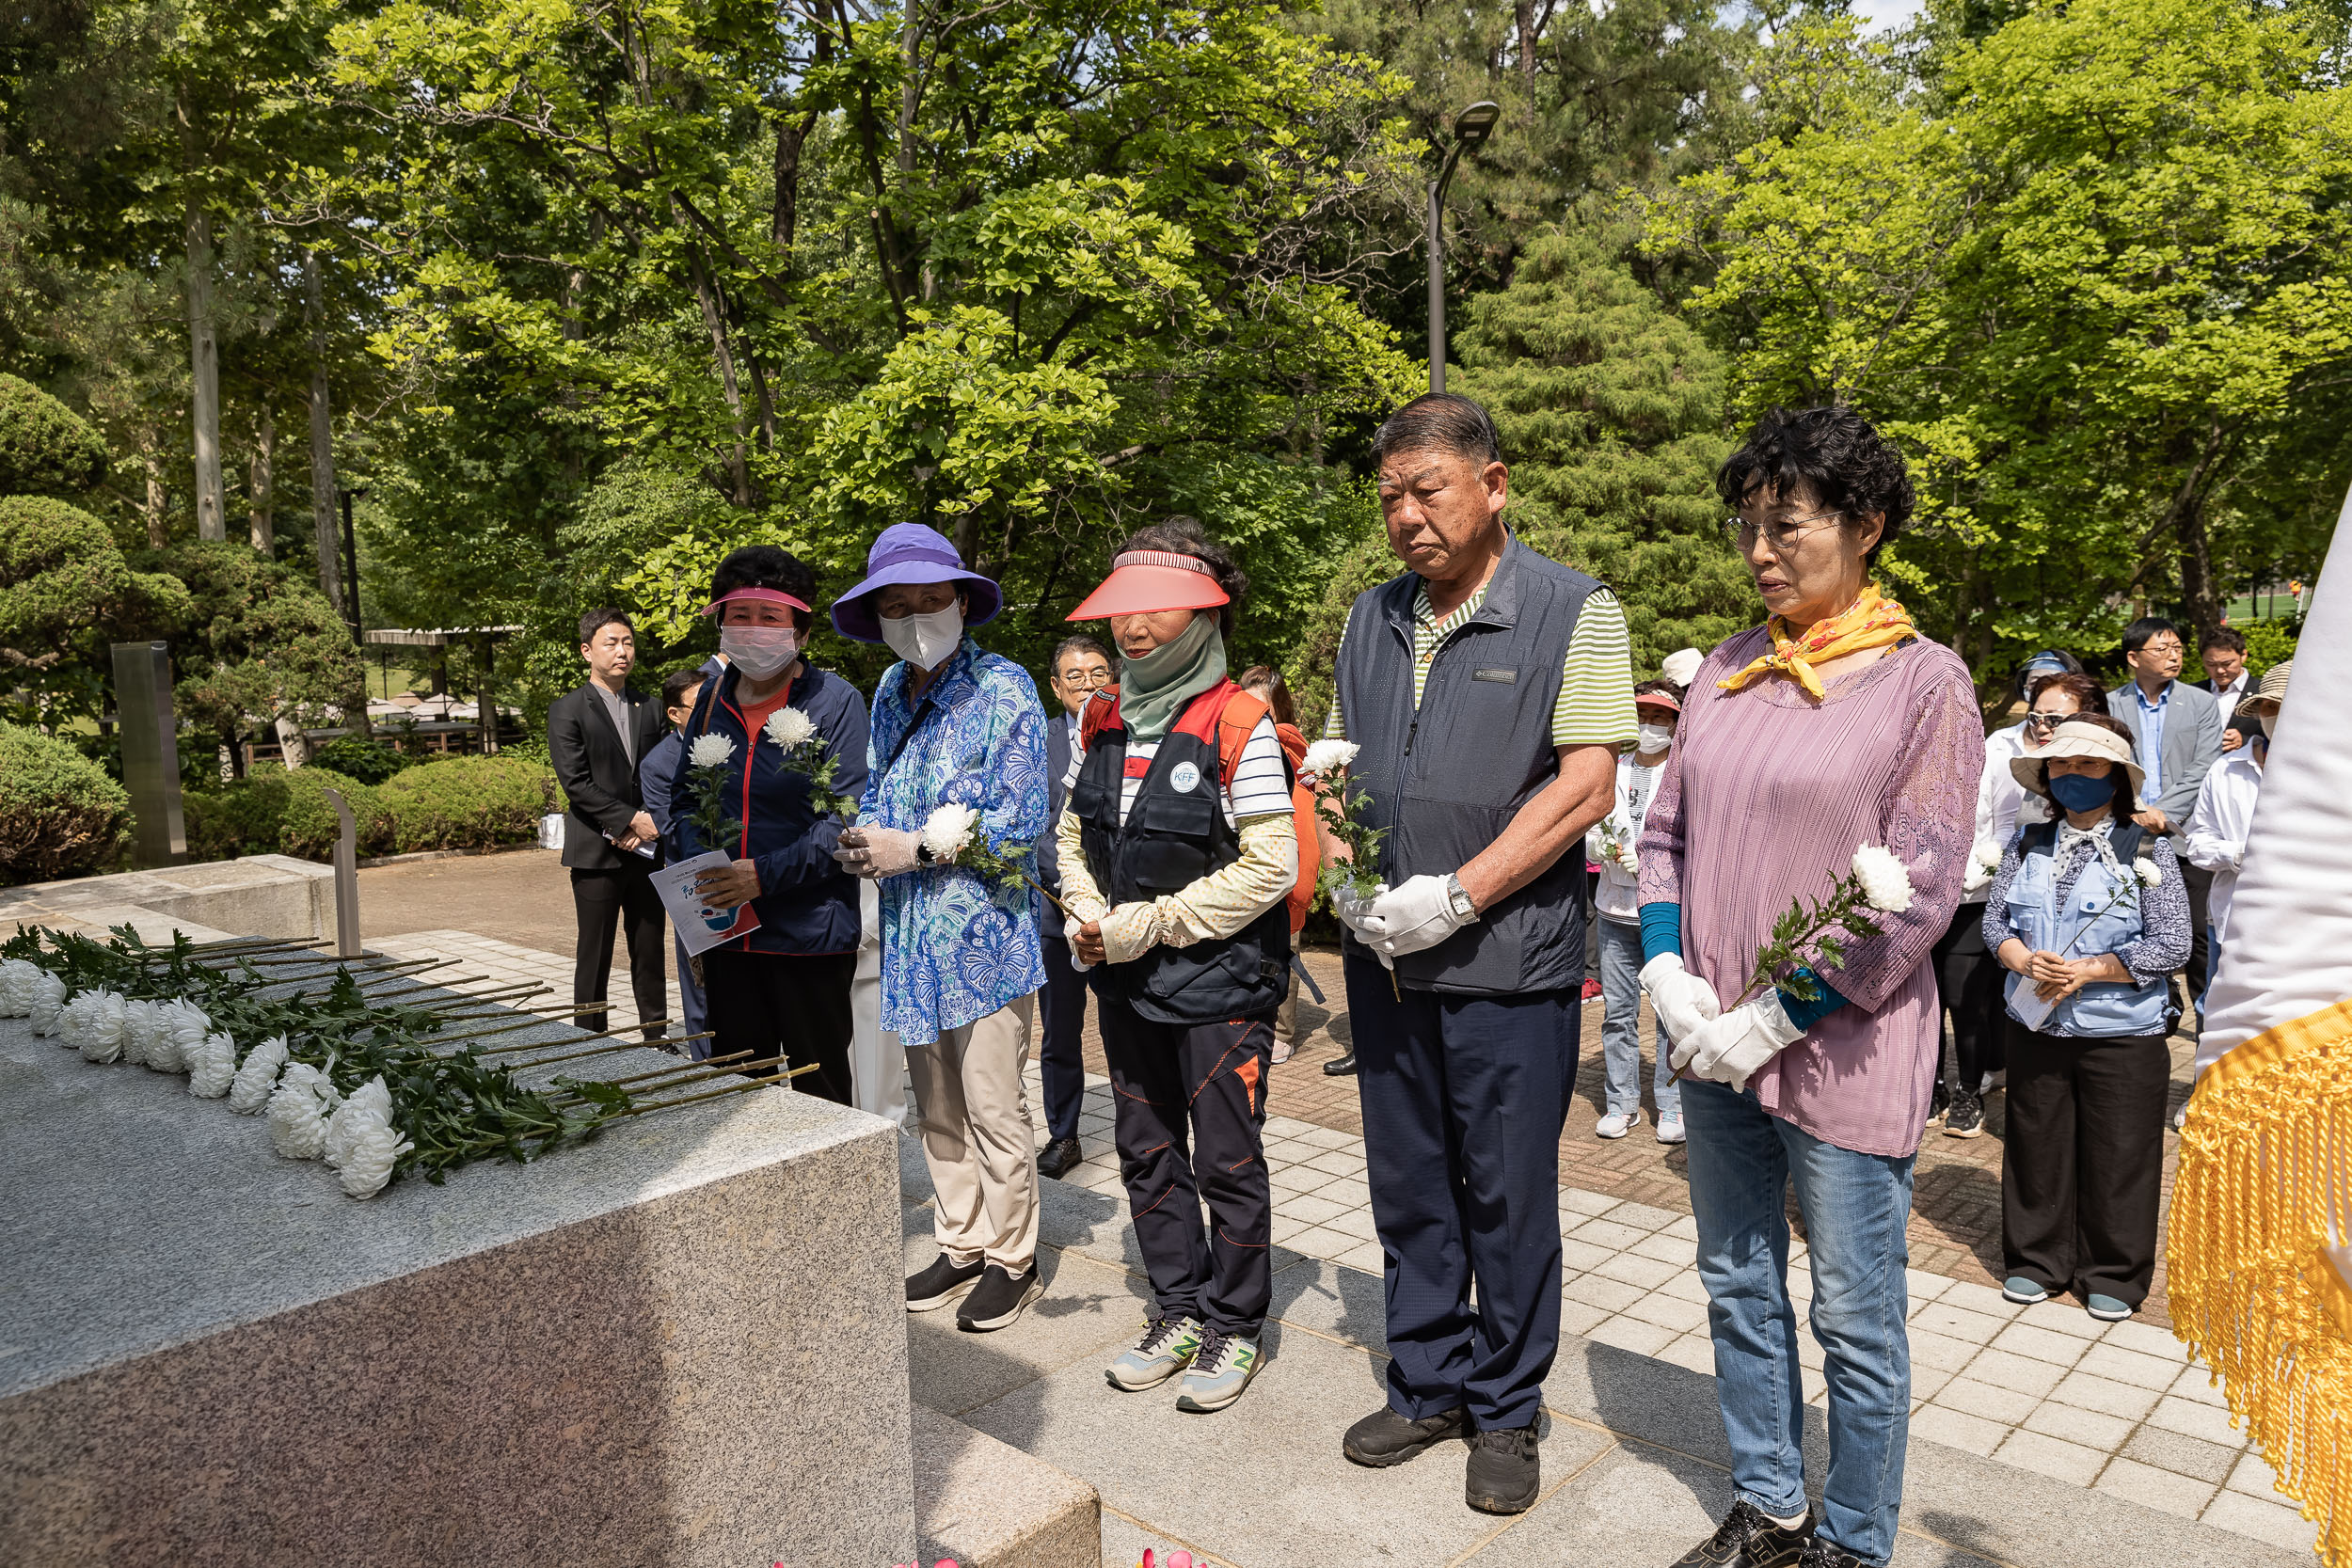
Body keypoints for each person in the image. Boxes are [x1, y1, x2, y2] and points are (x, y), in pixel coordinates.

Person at [1640, 405, 1980, 1568]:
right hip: (1712, 1033)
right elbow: (1665, 832)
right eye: (1747, 527)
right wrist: (1664, 964)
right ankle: (1770, 1500)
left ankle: (1851, 1536)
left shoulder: (1924, 683)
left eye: (1786, 526)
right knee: (1737, 1280)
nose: (1760, 552)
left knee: (1853, 1312)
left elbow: (1922, 887)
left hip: (1839, 1045)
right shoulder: (1728, 667)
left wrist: (1780, 1012)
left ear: (1865, 526)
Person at [1321, 393, 1633, 1515]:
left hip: (1506, 959)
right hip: (1387, 960)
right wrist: (1349, 881)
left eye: (1429, 490)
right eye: (1391, 496)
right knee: (1408, 1181)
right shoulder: (1373, 615)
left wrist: (1456, 895)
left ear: (1492, 485)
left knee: (1505, 1192)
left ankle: (1507, 1405)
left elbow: (1586, 784)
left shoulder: (1571, 609)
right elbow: (1345, 766)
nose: (1407, 516)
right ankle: (1427, 1377)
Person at [1057, 525, 1299, 1413]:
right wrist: (1086, 909)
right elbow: (1072, 834)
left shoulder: (1239, 722)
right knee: (1145, 1151)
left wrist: (1150, 925)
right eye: (1120, 609)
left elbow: (1272, 864)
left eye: (1157, 607)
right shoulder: (1102, 716)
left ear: (1203, 610)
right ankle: (1178, 1309)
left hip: (1220, 988)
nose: (1134, 626)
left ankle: (1235, 1327)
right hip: (1123, 984)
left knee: (1228, 1160)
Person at [832, 523, 1050, 1335]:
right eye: (898, 605)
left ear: (963, 601)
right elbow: (886, 796)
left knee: (995, 1105)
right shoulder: (891, 691)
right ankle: (960, 1239)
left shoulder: (1005, 689)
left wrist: (915, 846)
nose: (916, 617)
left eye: (931, 601)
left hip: (984, 941)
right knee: (935, 1105)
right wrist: (866, 837)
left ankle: (1012, 1257)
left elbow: (1021, 821)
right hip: (913, 940)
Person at [1983, 715, 2190, 1323]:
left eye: (2089, 764)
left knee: (2120, 1152)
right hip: (2036, 1023)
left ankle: (2114, 1272)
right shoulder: (2027, 842)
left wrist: (2095, 968)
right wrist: (2021, 957)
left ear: (2117, 777)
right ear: (2046, 775)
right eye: (2062, 764)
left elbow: (2174, 942)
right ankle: (2035, 1260)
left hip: (2123, 1032)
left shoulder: (2147, 849)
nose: (2073, 774)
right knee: (2035, 1144)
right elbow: (1996, 922)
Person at [666, 546, 869, 1101]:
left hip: (810, 933)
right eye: (740, 615)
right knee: (736, 1089)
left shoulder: (836, 701)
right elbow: (683, 797)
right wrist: (700, 865)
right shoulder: (709, 697)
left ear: (800, 631)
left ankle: (834, 1189)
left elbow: (844, 817)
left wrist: (762, 876)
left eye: (771, 617)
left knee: (817, 1087)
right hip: (728, 932)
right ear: (721, 623)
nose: (753, 629)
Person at [1939, 671, 2107, 1134]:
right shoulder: (2006, 754)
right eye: (2035, 717)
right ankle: (1949, 1087)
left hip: (2062, 925)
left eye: (2055, 718)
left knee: (1977, 1000)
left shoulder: (2107, 789)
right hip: (1984, 899)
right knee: (1960, 997)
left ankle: (1975, 1087)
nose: (2042, 727)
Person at [547, 609, 670, 1040]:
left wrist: (650, 820)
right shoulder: (567, 710)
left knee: (650, 949)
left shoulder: (651, 707)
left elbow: (662, 772)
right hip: (596, 853)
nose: (622, 651)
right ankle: (589, 1040)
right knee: (594, 952)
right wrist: (628, 819)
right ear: (587, 651)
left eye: (628, 642)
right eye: (611, 643)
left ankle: (656, 1037)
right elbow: (576, 782)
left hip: (647, 852)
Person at [2106, 616, 2223, 1016]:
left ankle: (2207, 1025)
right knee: (2125, 923)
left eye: (2177, 648)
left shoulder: (2201, 702)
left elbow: (2205, 764)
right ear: (2134, 657)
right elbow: (2112, 763)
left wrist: (2163, 812)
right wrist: (2136, 810)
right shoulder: (2109, 703)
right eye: (2162, 649)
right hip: (2124, 828)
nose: (2173, 656)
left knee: (2195, 936)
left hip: (2182, 835)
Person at [1587, 678, 1685, 1143]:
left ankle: (1671, 1105)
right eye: (1642, 718)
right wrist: (1603, 847)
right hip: (1614, 909)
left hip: (1666, 911)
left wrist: (1648, 859)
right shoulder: (1614, 769)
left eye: (1660, 719)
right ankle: (1621, 1103)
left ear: (1676, 725)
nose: (1649, 727)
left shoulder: (1685, 774)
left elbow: (1692, 839)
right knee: (1618, 1013)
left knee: (1670, 1014)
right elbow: (1589, 823)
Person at [1036, 633, 1112, 1179]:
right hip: (1052, 907)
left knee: (1125, 1027)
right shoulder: (1037, 742)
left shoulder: (1129, 735)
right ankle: (1063, 1135)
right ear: (1057, 686)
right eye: (1076, 676)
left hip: (1121, 914)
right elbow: (1032, 828)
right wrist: (1065, 889)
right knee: (1059, 1031)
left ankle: (1142, 1134)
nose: (1088, 684)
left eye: (1099, 673)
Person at [2184, 660, 2287, 1010]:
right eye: (2271, 706)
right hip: (2231, 924)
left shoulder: (2334, 770)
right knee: (2218, 1018)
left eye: (2287, 705)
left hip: (2305, 931)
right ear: (2258, 711)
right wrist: (2239, 855)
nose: (2277, 715)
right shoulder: (2226, 770)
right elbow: (2198, 844)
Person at [1236, 664, 1315, 1064]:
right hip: (1245, 872)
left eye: (1262, 708)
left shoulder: (1292, 756)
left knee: (1283, 951)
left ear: (1279, 710)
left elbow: (1303, 831)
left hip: (1285, 876)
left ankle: (1281, 1030)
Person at [638, 665, 709, 1052]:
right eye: (698, 706)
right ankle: (707, 1063)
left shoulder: (733, 743)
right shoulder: (658, 763)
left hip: (750, 873)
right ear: (674, 713)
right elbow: (673, 828)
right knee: (700, 982)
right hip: (692, 878)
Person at [2194, 626, 2251, 745]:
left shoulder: (2262, 692)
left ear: (2243, 655)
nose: (2220, 670)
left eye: (2227, 663)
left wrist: (2247, 741)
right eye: (2211, 664)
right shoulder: (2192, 693)